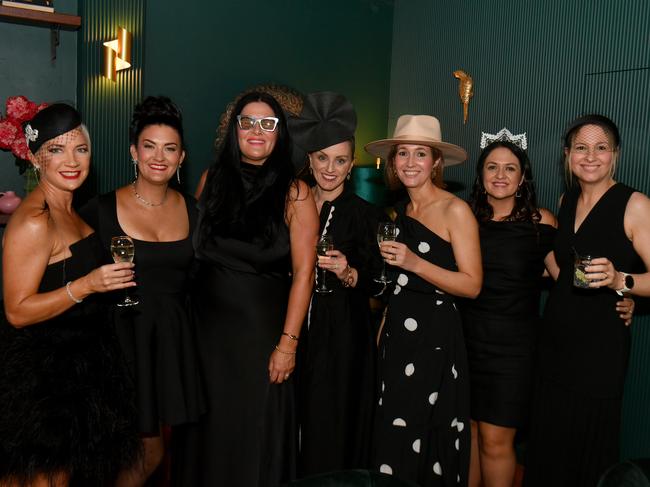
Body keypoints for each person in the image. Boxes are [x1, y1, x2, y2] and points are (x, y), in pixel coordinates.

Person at [175, 91, 319, 487]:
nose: (257, 131)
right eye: (248, 122)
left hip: (261, 343)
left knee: (253, 438)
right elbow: (192, 253)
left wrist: (288, 344)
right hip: (206, 338)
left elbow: (305, 274)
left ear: (280, 135)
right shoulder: (211, 180)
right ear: (234, 130)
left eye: (267, 124)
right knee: (209, 437)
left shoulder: (296, 193)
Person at [0, 104, 140, 486]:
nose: (72, 160)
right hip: (43, 380)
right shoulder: (34, 220)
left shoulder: (72, 209)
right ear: (34, 157)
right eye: (56, 150)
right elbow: (16, 311)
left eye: (80, 149)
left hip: (81, 369)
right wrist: (88, 285)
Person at [81, 96, 204, 486]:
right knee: (112, 452)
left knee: (154, 452)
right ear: (134, 151)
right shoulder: (98, 210)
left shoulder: (194, 210)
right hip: (118, 344)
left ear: (182, 158)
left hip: (169, 342)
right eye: (149, 146)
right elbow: (69, 277)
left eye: (170, 149)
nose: (159, 157)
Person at [524, 114, 650, 487]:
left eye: (601, 147)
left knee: (588, 448)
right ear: (567, 155)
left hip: (600, 349)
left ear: (615, 154)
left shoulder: (635, 204)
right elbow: (563, 270)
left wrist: (620, 282)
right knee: (550, 442)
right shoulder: (567, 200)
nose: (590, 156)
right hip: (556, 339)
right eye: (581, 147)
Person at [365, 115, 482, 487]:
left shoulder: (455, 211)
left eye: (420, 154)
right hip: (397, 336)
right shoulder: (401, 212)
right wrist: (382, 333)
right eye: (403, 153)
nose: (411, 162)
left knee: (426, 432)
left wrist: (416, 263)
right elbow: (397, 284)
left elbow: (472, 285)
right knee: (393, 430)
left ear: (436, 162)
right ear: (394, 162)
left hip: (434, 339)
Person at [288, 92, 384, 476]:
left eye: (340, 160)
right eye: (323, 158)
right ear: (309, 159)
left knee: (330, 428)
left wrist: (349, 273)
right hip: (292, 332)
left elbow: (382, 284)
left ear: (351, 165)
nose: (331, 168)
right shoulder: (291, 203)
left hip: (341, 341)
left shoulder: (366, 216)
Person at [462, 134, 557, 487]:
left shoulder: (540, 222)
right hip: (467, 339)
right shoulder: (465, 217)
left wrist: (618, 295)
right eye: (492, 167)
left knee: (496, 440)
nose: (500, 175)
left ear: (522, 178)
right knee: (469, 433)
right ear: (481, 175)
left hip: (514, 350)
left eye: (510, 168)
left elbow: (564, 277)